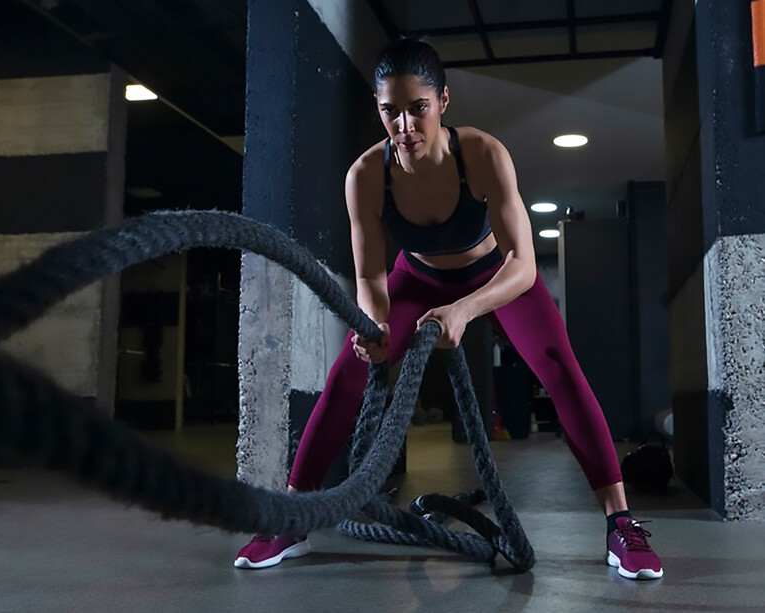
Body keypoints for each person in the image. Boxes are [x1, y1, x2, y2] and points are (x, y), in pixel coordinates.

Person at [232, 37, 663, 580]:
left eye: (418, 108)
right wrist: (378, 322)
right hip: (417, 275)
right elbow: (369, 273)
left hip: (495, 275)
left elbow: (524, 264)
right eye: (391, 111)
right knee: (348, 372)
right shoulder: (366, 175)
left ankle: (621, 524)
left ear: (442, 102)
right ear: (379, 109)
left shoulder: (482, 154)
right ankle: (289, 521)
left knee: (560, 368)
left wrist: (462, 311)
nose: (405, 126)